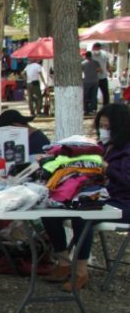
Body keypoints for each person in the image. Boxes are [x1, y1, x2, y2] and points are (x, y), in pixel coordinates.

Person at [41, 104, 130, 291]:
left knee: (83, 216)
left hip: (122, 202)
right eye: (101, 126)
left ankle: (81, 272)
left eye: (107, 127)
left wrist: (107, 169)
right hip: (97, 196)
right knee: (50, 209)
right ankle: (64, 262)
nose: (103, 131)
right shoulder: (101, 146)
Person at [93, 43, 114, 107]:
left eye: (98, 49)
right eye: (95, 49)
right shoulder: (91, 55)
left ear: (100, 48)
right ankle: (94, 107)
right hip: (94, 78)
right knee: (94, 94)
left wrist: (110, 72)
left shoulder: (104, 54)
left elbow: (107, 64)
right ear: (93, 48)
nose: (96, 50)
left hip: (103, 77)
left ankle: (106, 107)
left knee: (105, 93)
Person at [83, 51, 101, 115]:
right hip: (95, 81)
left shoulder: (83, 63)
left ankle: (85, 109)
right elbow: (100, 70)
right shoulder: (96, 62)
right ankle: (92, 109)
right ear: (91, 56)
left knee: (86, 96)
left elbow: (81, 71)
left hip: (86, 81)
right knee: (94, 95)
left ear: (85, 56)